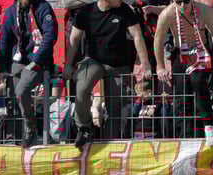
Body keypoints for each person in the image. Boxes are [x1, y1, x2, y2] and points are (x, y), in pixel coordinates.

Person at [64, 0, 153, 149]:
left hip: (119, 65)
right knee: (82, 87)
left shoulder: (125, 10)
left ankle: (108, 141)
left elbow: (137, 36)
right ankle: (84, 128)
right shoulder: (85, 12)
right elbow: (74, 38)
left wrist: (145, 64)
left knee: (116, 107)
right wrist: (67, 65)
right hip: (93, 60)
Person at [153, 0, 213, 143]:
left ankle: (209, 125)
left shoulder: (204, 10)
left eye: (186, 1)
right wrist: (160, 66)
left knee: (197, 81)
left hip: (201, 51)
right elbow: (158, 40)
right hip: (181, 54)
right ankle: (186, 135)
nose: (183, 6)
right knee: (182, 96)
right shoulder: (168, 13)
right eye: (179, 2)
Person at [0, 0, 58, 148]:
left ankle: (31, 127)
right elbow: (5, 40)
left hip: (38, 61)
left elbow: (50, 36)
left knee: (21, 90)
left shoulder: (43, 7)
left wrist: (36, 60)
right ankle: (13, 138)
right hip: (18, 60)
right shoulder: (12, 11)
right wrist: (2, 69)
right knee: (12, 97)